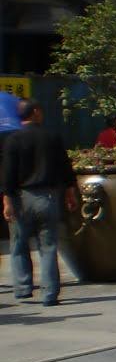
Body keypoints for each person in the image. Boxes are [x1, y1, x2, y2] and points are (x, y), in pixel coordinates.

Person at [1, 100, 77, 307]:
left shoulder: (12, 140)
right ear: (36, 112)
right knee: (49, 246)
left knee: (18, 244)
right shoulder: (51, 137)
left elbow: (7, 174)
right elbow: (65, 168)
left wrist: (7, 201)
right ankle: (49, 294)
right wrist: (70, 193)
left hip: (20, 198)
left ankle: (23, 289)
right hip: (47, 197)